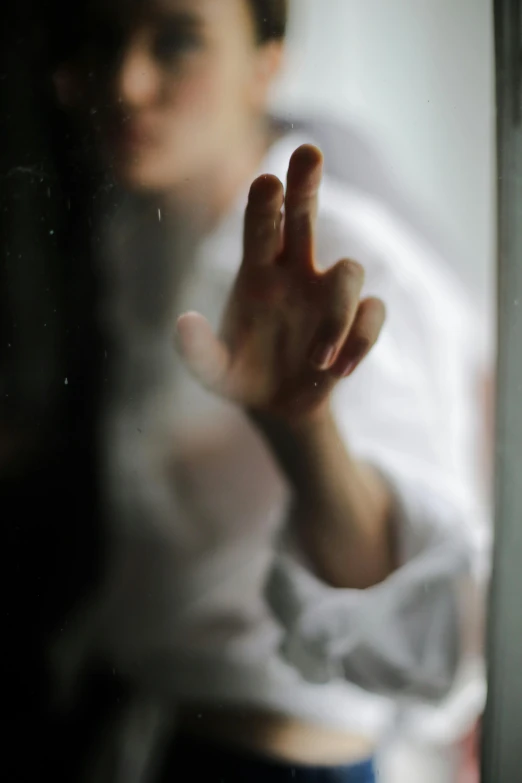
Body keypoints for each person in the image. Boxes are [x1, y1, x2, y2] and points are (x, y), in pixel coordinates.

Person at [47, 1, 489, 781]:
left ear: (268, 60)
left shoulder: (343, 256)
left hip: (284, 756)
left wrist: (305, 430)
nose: (126, 81)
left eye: (177, 40)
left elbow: (430, 626)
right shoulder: (138, 232)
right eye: (105, 37)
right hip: (153, 726)